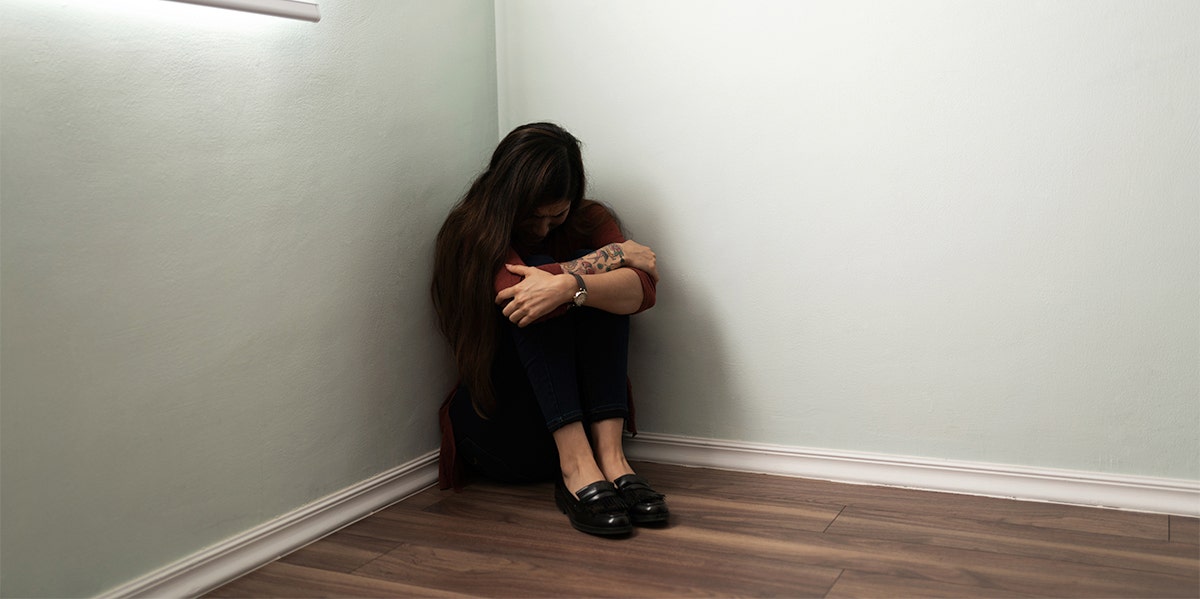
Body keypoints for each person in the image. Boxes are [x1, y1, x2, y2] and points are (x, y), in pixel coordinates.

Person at [431, 122, 668, 536]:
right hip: (502, 428)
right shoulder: (473, 230)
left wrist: (571, 284)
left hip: (585, 427)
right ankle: (575, 466)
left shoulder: (589, 217)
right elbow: (519, 296)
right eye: (531, 218)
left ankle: (612, 460)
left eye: (555, 216)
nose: (543, 228)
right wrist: (609, 257)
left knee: (585, 287)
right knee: (545, 293)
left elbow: (642, 290)